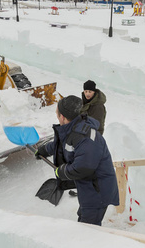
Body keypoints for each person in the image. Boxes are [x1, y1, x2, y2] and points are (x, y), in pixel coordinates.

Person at [35, 95, 119, 226]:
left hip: (97, 191)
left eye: (57, 112)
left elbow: (83, 166)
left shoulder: (87, 138)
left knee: (88, 228)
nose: (56, 114)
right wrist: (44, 150)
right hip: (88, 187)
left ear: (63, 117)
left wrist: (61, 172)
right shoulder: (72, 127)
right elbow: (63, 144)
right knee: (83, 215)